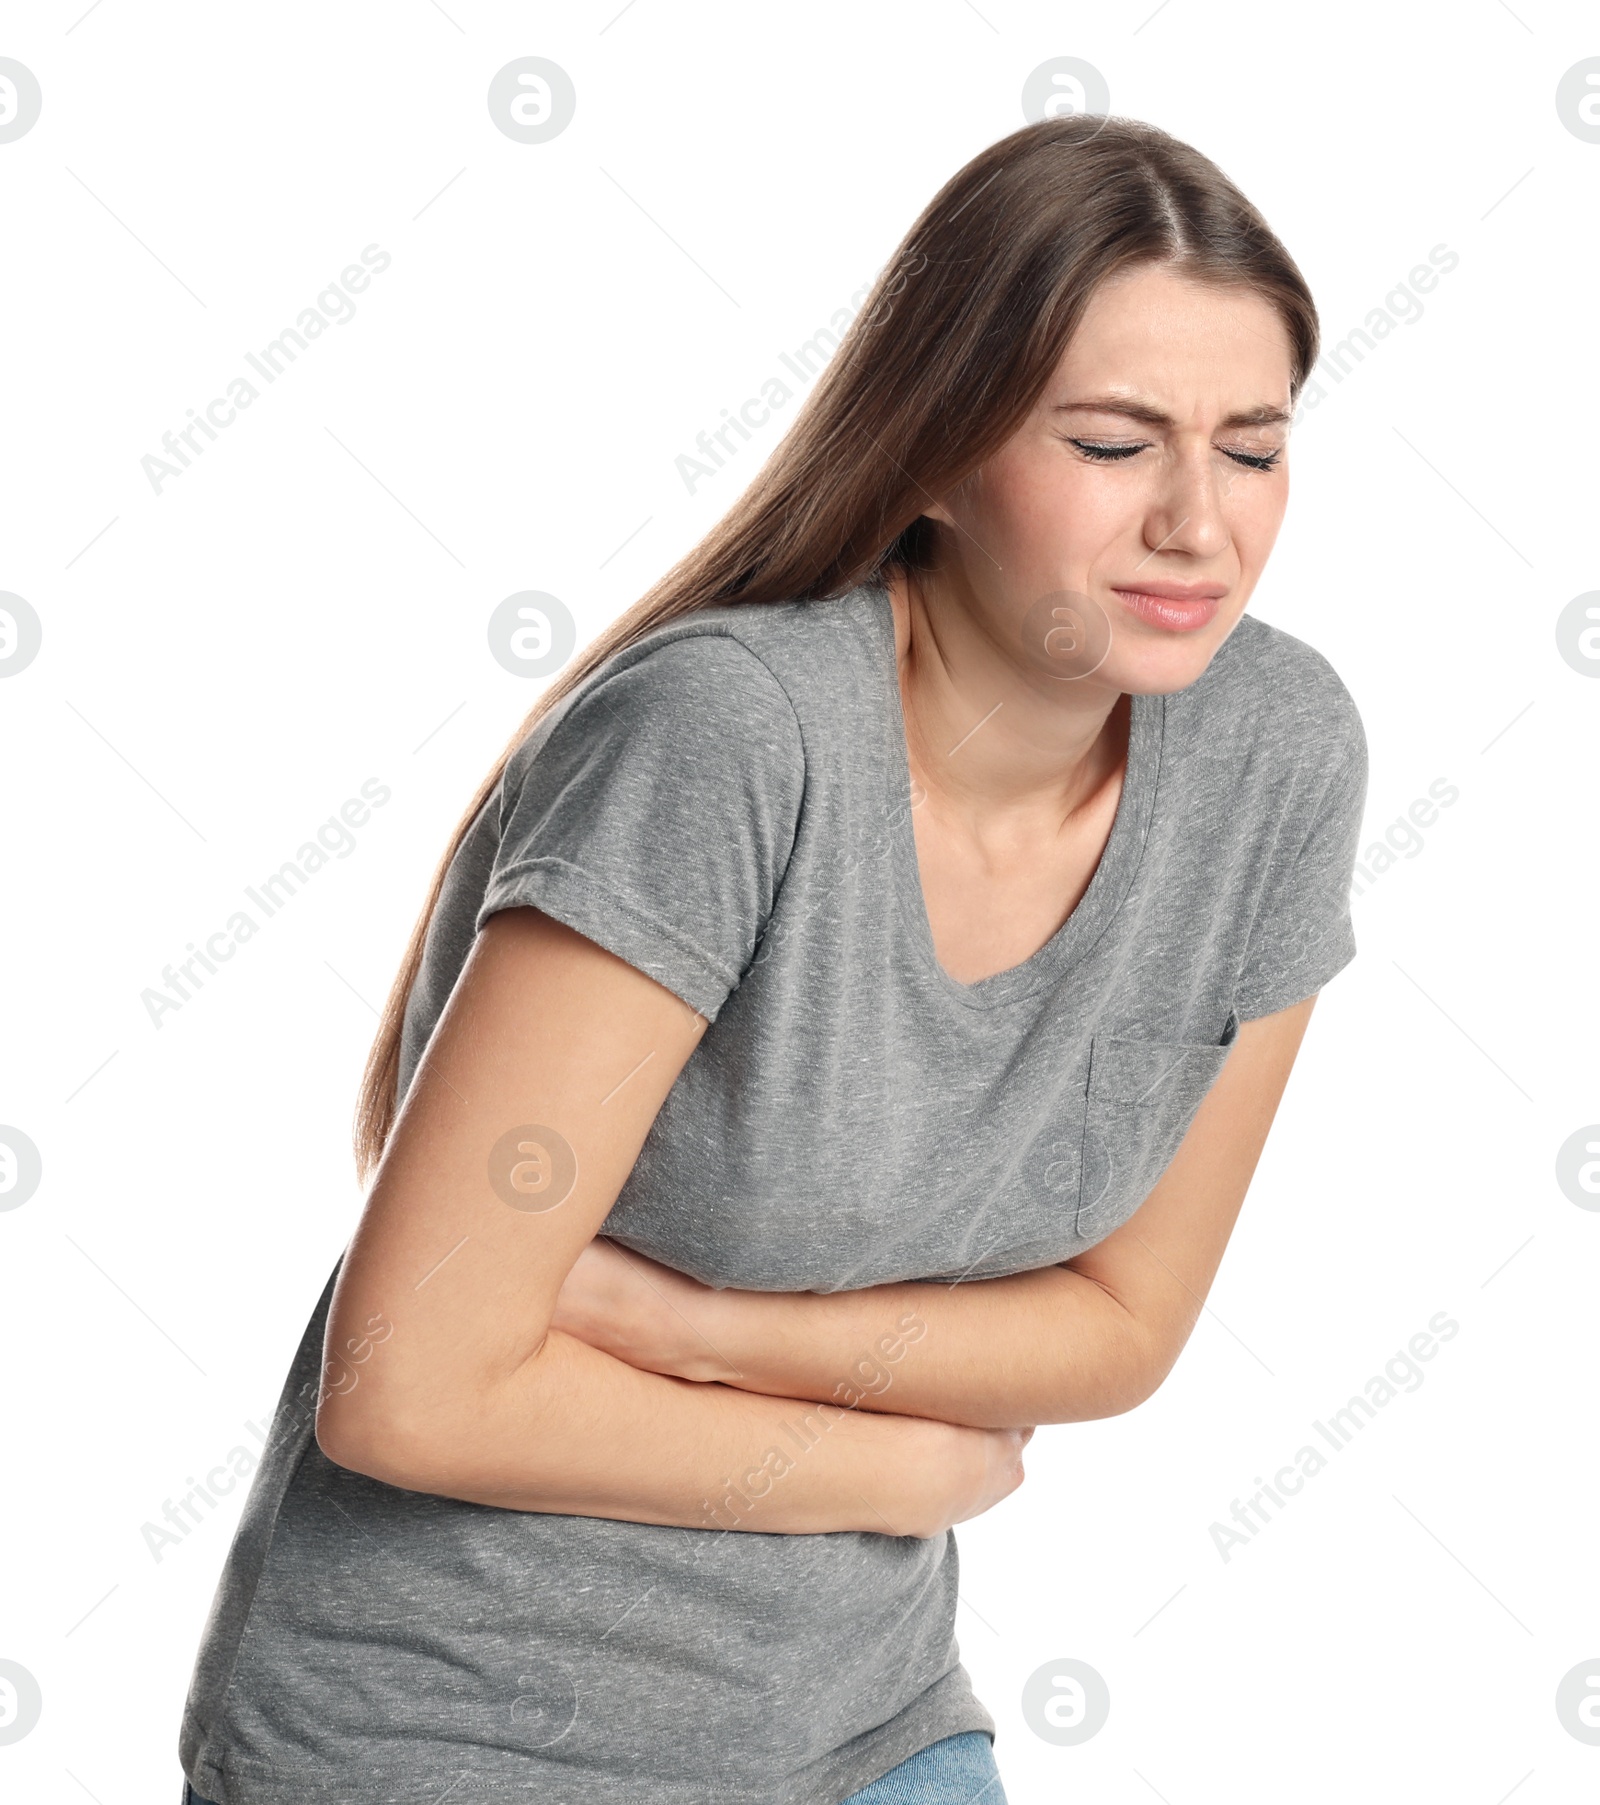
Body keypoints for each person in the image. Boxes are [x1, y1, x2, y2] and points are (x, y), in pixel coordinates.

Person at [178, 111, 1367, 1805]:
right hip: (450, 1741)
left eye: (1252, 448)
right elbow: (409, 1391)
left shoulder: (1276, 752)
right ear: (942, 454)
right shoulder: (731, 738)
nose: (1200, 521)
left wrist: (689, 1322)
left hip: (862, 1728)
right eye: (1114, 441)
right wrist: (903, 1466)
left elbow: (1119, 1325)